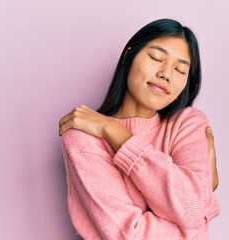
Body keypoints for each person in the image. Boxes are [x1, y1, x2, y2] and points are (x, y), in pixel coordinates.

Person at [59, 18, 220, 240]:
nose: (166, 74)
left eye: (181, 70)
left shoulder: (188, 123)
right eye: (156, 58)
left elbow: (190, 207)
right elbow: (128, 235)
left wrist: (114, 132)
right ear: (128, 57)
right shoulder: (82, 137)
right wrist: (202, 212)